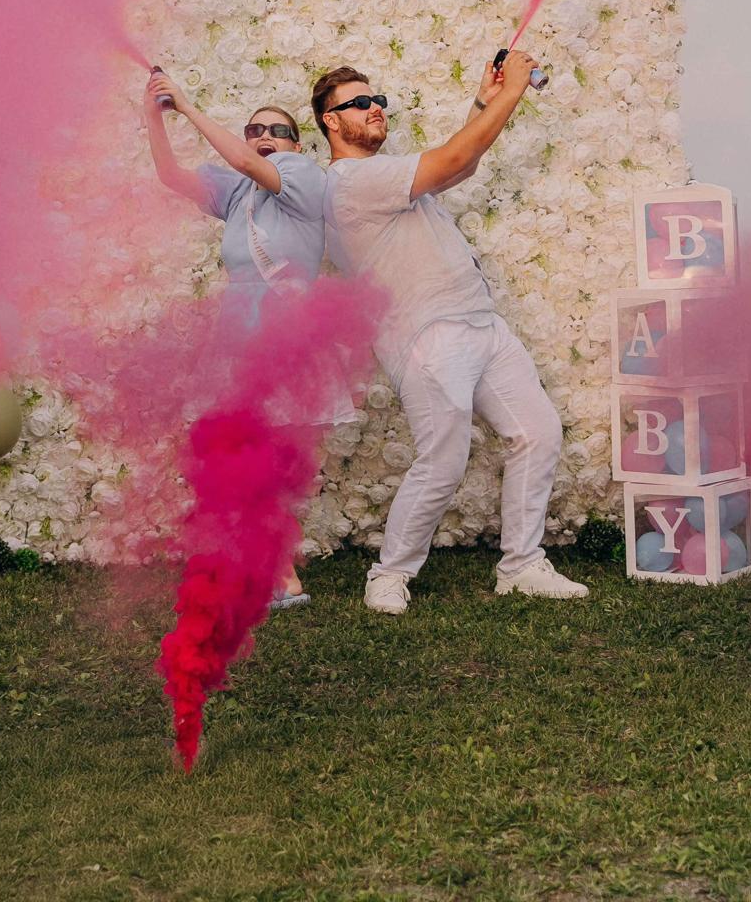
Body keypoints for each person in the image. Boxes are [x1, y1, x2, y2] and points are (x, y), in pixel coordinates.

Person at [314, 56, 587, 614]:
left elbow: (457, 169)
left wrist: (483, 104)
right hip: (428, 335)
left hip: (481, 323)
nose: (375, 110)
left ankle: (522, 565)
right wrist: (513, 91)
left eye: (378, 100)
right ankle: (389, 575)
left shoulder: (385, 176)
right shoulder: (348, 181)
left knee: (538, 432)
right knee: (443, 460)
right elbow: (456, 157)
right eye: (359, 104)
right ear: (330, 122)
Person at [144, 69, 346, 609]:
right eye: (254, 128)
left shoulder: (301, 173)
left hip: (284, 330)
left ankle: (280, 576)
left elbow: (242, 159)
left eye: (275, 131)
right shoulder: (238, 193)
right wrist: (154, 116)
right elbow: (170, 175)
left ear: (296, 144)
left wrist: (187, 106)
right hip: (237, 328)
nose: (262, 136)